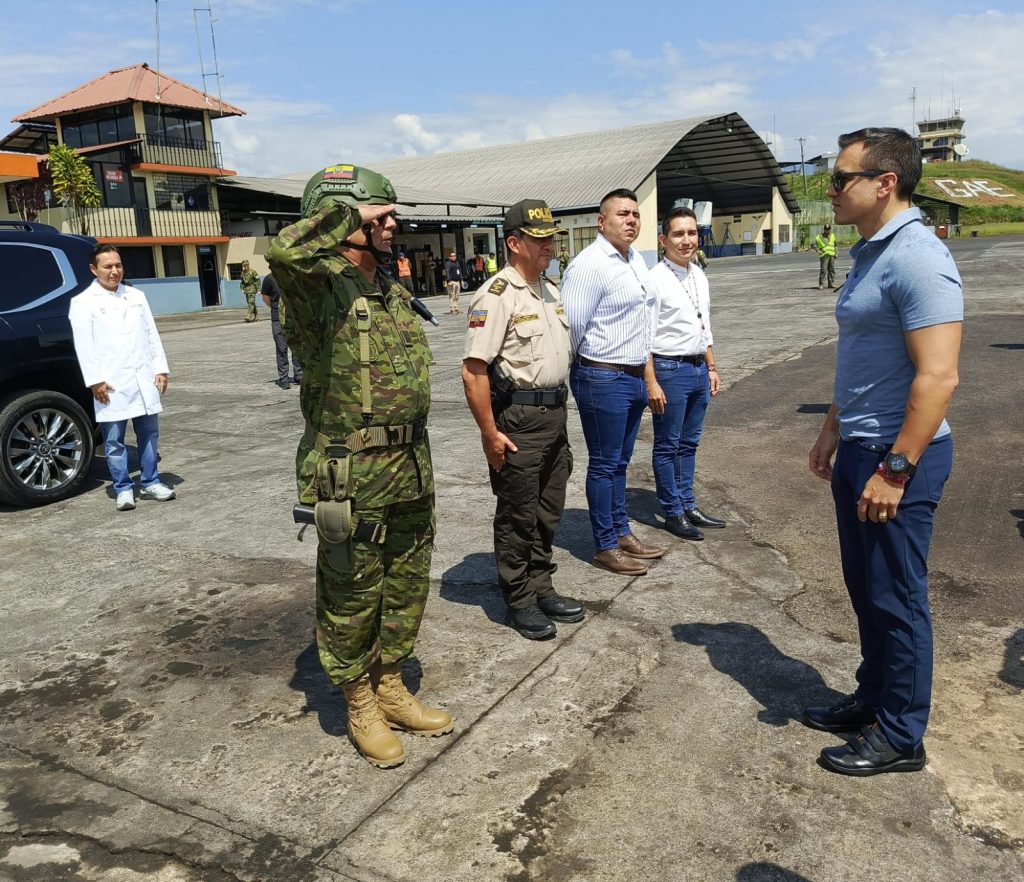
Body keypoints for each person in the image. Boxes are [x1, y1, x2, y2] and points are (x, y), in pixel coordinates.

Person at [267, 163, 452, 769]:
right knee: (351, 592)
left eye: (391, 215)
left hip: (409, 464)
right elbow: (286, 250)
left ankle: (392, 686)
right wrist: (350, 212)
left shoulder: (389, 288)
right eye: (381, 216)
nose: (393, 225)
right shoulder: (317, 291)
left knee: (405, 583)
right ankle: (358, 701)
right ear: (344, 218)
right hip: (351, 472)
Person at [805, 128, 963, 776]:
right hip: (859, 445)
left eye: (842, 178)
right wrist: (832, 428)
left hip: (897, 457)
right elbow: (863, 359)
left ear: (885, 183)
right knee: (866, 589)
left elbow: (939, 376)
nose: (832, 190)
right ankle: (873, 700)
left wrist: (896, 469)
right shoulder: (871, 252)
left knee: (898, 596)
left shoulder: (918, 257)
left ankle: (902, 733)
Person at [462, 199, 583, 640]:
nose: (548, 245)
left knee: (548, 511)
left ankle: (541, 586)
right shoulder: (496, 296)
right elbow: (473, 370)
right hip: (519, 419)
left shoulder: (550, 291)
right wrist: (489, 433)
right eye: (539, 239)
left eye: (551, 237)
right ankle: (519, 600)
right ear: (514, 243)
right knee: (518, 513)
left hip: (554, 416)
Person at [562, 188, 664, 576]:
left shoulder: (635, 259)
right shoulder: (589, 265)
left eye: (636, 214)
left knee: (621, 462)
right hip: (602, 375)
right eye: (623, 214)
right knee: (604, 464)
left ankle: (621, 531)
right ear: (602, 222)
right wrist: (582, 373)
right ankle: (605, 544)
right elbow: (572, 327)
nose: (632, 220)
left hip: (634, 375)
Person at [69, 244, 176, 511]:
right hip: (111, 383)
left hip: (143, 377)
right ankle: (123, 488)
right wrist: (95, 381)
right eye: (108, 266)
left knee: (149, 433)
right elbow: (84, 346)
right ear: (94, 269)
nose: (114, 271)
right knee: (114, 440)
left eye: (118, 265)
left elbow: (151, 335)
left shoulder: (137, 296)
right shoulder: (83, 303)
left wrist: (160, 369)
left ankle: (151, 481)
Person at [645, 207, 726, 543]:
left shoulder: (698, 275)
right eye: (678, 234)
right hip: (669, 369)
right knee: (668, 444)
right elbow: (644, 337)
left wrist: (711, 366)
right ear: (664, 240)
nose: (686, 240)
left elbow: (702, 325)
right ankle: (672, 510)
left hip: (696, 368)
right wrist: (651, 381)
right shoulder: (654, 280)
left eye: (692, 233)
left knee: (689, 443)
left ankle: (688, 503)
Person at [260, 271, 303, 390]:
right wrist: (277, 308)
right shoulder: (269, 278)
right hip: (278, 319)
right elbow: (265, 297)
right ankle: (284, 378)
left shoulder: (295, 276)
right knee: (281, 348)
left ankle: (299, 376)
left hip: (294, 318)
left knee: (297, 347)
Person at [813, 223, 837, 290]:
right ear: (824, 230)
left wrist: (836, 253)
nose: (827, 231)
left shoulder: (832, 236)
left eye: (828, 229)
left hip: (831, 255)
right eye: (826, 230)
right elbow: (813, 245)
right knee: (823, 270)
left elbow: (835, 245)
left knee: (832, 270)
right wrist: (818, 251)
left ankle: (831, 283)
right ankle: (821, 284)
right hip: (824, 256)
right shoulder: (819, 237)